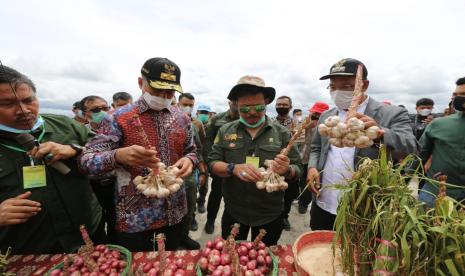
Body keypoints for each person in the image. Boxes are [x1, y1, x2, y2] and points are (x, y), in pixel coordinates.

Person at [78, 57, 197, 251]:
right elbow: (85, 162)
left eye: (170, 91)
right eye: (157, 90)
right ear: (141, 83)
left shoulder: (182, 118)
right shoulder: (117, 118)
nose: (164, 95)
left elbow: (191, 151)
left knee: (170, 266)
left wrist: (188, 160)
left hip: (176, 211)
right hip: (135, 218)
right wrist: (117, 156)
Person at [0, 65, 103, 254]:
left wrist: (76, 150)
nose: (23, 110)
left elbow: (107, 153)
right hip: (26, 251)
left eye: (28, 100)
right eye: (7, 104)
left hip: (90, 235)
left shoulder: (65, 125)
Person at [307, 58, 418, 230]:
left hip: (364, 208)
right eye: (333, 87)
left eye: (346, 86)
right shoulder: (326, 116)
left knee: (355, 255)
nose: (337, 92)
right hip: (323, 201)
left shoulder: (391, 113)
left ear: (364, 85)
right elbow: (316, 148)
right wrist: (312, 167)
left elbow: (411, 148)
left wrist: (380, 133)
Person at [209, 75, 302, 245]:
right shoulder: (225, 130)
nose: (251, 112)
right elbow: (213, 163)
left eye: (258, 107)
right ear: (236, 104)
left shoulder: (282, 133)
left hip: (270, 213)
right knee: (232, 255)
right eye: (244, 108)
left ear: (266, 102)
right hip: (234, 211)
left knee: (265, 259)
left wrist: (287, 170)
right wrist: (233, 168)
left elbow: (298, 168)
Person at [418, 77, 465, 206]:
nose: (458, 98)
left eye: (463, 94)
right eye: (455, 95)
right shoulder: (438, 124)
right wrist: (405, 176)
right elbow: (420, 155)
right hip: (435, 192)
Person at [81, 95, 117, 242]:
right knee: (96, 224)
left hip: (116, 184)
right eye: (96, 110)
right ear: (85, 114)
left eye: (105, 108)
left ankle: (117, 248)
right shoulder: (79, 133)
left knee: (116, 222)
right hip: (91, 188)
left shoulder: (117, 130)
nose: (102, 112)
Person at [203, 100, 239, 234]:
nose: (237, 105)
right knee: (216, 194)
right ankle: (210, 220)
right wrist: (209, 162)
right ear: (230, 102)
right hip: (219, 166)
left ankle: (234, 225)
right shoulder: (218, 119)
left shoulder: (245, 120)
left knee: (235, 196)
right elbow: (208, 141)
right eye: (234, 102)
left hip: (238, 166)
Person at [177, 92, 206, 249]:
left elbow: (198, 149)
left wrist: (202, 171)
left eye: (191, 105)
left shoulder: (193, 126)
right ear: (178, 104)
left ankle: (184, 237)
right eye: (185, 104)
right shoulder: (165, 123)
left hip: (189, 177)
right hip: (168, 177)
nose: (187, 108)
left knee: (189, 207)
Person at [297, 102, 329, 214]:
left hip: (317, 160)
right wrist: (305, 126)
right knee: (302, 180)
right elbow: (298, 136)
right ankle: (302, 200)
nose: (314, 117)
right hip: (305, 157)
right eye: (313, 114)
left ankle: (304, 203)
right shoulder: (307, 124)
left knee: (312, 181)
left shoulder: (326, 127)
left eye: (317, 115)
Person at [272, 95, 298, 231]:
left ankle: (284, 217)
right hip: (273, 163)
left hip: (290, 162)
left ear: (290, 107)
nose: (281, 107)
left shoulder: (297, 124)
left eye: (284, 105)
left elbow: (301, 144)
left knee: (288, 194)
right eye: (279, 104)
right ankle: (275, 215)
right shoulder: (271, 122)